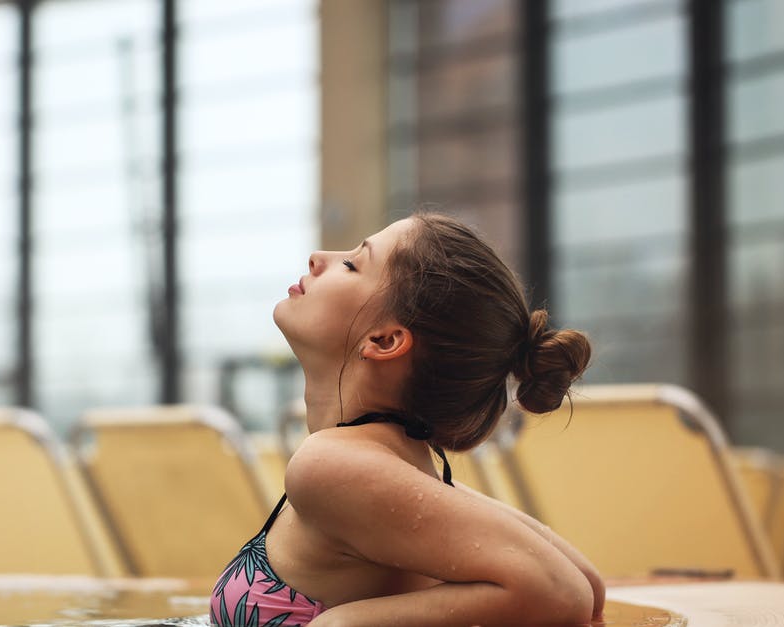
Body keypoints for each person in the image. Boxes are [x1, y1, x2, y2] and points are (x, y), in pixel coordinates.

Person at [210, 212, 604, 626]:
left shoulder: (333, 466)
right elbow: (587, 583)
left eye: (352, 264)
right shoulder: (393, 470)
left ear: (384, 340)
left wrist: (342, 624)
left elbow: (566, 592)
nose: (318, 257)